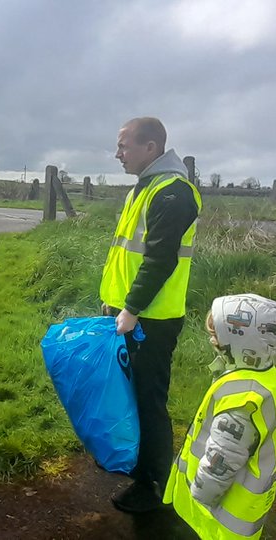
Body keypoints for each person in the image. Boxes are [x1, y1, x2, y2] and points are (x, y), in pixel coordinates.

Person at [100, 117, 202, 513]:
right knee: (131, 395)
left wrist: (132, 308)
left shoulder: (173, 193)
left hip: (152, 321)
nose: (118, 153)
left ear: (152, 147)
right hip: (130, 314)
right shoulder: (145, 188)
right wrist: (115, 304)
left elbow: (159, 260)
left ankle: (153, 484)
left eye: (124, 145)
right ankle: (138, 467)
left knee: (148, 399)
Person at [164, 294, 276, 540]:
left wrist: (201, 495)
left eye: (217, 336)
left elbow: (223, 457)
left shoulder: (242, 401)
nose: (212, 341)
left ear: (242, 341)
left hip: (220, 515)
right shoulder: (264, 375)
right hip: (239, 505)